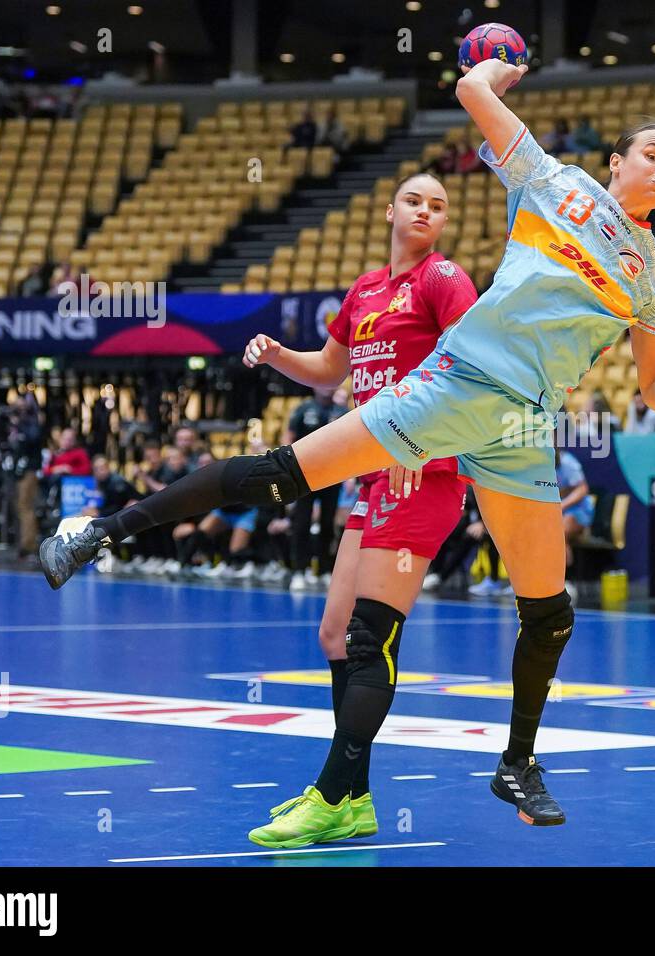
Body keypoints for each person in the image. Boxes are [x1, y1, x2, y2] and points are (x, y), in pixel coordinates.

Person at [41, 59, 655, 834]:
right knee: (280, 477)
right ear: (616, 160)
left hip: (522, 428)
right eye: (654, 153)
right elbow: (471, 93)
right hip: (453, 390)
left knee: (551, 613)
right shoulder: (556, 183)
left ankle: (516, 763)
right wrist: (491, 70)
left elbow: (654, 387)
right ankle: (101, 533)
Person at [239, 170, 477, 844]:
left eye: (438, 204)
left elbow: (471, 363)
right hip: (372, 477)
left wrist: (416, 440)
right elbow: (329, 370)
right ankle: (356, 802)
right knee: (335, 636)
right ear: (388, 211)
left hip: (420, 474)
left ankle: (330, 792)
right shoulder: (366, 290)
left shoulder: (444, 279)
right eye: (414, 199)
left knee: (370, 640)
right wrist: (279, 353)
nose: (426, 210)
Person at [285, 386, 346, 591]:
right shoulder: (304, 409)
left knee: (328, 524)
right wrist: (287, 466)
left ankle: (324, 571)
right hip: (306, 474)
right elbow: (289, 437)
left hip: (333, 475)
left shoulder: (342, 412)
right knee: (301, 523)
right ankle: (299, 571)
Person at [554, 447, 593, 577]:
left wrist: (562, 505)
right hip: (555, 513)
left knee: (559, 533)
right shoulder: (539, 465)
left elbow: (582, 489)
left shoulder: (568, 462)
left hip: (578, 511)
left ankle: (565, 580)